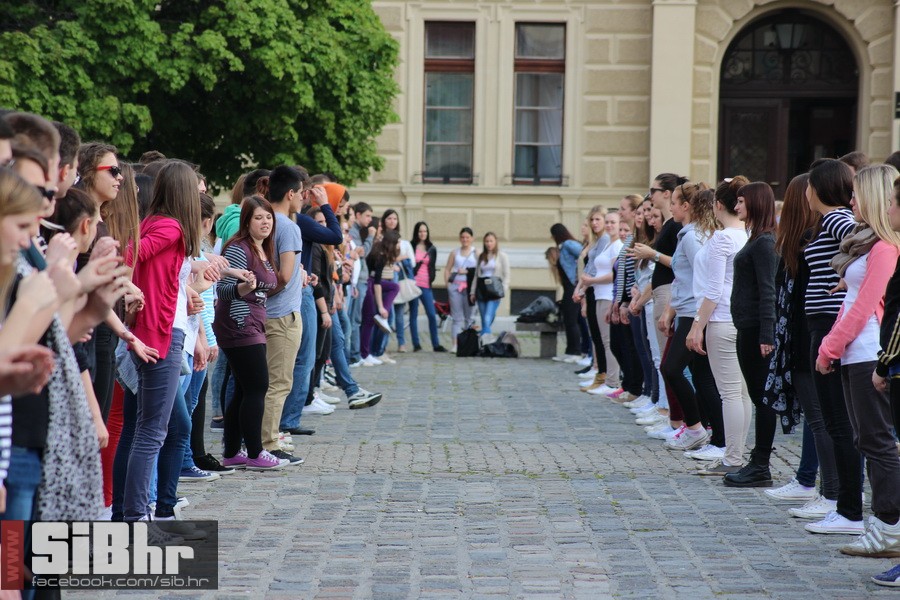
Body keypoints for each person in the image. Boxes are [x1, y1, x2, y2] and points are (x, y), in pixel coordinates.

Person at [815, 164, 900, 555]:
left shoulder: (885, 248)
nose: (851, 202)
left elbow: (866, 305)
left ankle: (890, 526)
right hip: (855, 351)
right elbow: (854, 299)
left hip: (867, 351)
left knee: (877, 441)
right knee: (866, 439)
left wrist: (829, 347)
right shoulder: (870, 243)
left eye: (856, 195)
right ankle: (881, 524)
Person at [763, 174, 837, 510]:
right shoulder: (800, 242)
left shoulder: (816, 238)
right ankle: (817, 484)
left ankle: (830, 492)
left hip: (811, 337)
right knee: (819, 418)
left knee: (822, 420)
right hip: (803, 337)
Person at [797, 159, 863, 535]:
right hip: (822, 322)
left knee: (838, 419)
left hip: (830, 325)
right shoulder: (829, 220)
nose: (805, 192)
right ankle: (842, 503)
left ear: (819, 188)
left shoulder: (837, 218)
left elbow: (865, 244)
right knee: (835, 418)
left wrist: (847, 280)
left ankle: (847, 507)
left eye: (809, 185)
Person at [214, 195, 286, 471]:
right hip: (239, 323)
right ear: (247, 221)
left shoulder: (263, 248)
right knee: (258, 386)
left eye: (268, 217)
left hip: (255, 323)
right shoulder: (238, 248)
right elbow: (222, 289)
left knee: (245, 389)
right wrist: (244, 288)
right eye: (258, 218)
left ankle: (233, 452)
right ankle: (256, 452)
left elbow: (266, 286)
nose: (265, 222)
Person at [684, 177, 750, 474]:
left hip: (722, 318)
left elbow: (714, 290)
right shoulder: (747, 234)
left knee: (730, 393)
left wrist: (697, 325)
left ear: (718, 205)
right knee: (741, 392)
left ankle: (733, 457)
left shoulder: (723, 238)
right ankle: (736, 453)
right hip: (739, 319)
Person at [716, 182, 778, 487]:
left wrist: (767, 333)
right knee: (756, 395)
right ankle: (758, 462)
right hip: (746, 326)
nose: (737, 206)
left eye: (741, 202)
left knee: (762, 398)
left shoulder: (764, 242)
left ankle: (761, 464)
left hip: (756, 330)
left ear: (755, 204)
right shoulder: (756, 238)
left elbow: (769, 291)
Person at [659, 183, 725, 452]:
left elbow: (704, 274)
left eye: (674, 202)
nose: (671, 208)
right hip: (689, 310)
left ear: (687, 206)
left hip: (693, 312)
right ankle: (709, 433)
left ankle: (698, 429)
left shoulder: (691, 237)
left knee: (672, 369)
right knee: (701, 377)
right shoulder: (690, 234)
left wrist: (696, 316)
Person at [582, 212, 622, 396]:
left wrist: (592, 281)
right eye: (607, 222)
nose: (609, 225)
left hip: (607, 294)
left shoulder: (616, 246)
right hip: (600, 294)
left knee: (608, 341)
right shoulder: (608, 244)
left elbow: (615, 274)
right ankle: (606, 378)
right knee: (604, 340)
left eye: (613, 222)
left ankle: (612, 381)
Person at [576, 207, 610, 391]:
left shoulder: (605, 240)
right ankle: (600, 373)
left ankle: (604, 375)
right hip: (591, 289)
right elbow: (589, 266)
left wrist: (582, 288)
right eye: (592, 220)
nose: (594, 223)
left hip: (599, 290)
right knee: (597, 336)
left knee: (602, 337)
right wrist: (580, 289)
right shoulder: (597, 240)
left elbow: (595, 269)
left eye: (598, 219)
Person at [360, 229, 401, 365]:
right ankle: (364, 354)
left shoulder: (381, 252)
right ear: (391, 243)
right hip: (370, 284)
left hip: (371, 282)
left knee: (394, 287)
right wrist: (382, 307)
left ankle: (367, 353)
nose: (399, 245)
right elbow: (377, 284)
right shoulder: (381, 256)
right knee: (368, 321)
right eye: (398, 243)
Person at [409, 221, 446, 352]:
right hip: (414, 285)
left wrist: (431, 279)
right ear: (416, 232)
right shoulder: (411, 246)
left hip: (426, 285)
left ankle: (436, 344)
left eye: (425, 231)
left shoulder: (432, 248)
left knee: (431, 314)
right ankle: (416, 344)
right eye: (420, 231)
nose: (422, 233)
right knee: (413, 314)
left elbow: (432, 266)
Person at [550, 223, 584, 361]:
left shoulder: (568, 244)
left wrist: (579, 276)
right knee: (569, 319)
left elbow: (583, 255)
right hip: (568, 286)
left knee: (571, 320)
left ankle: (575, 351)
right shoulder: (564, 246)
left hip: (572, 286)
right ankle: (570, 350)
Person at [471, 232, 510, 344]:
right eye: (486, 241)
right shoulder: (481, 256)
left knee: (488, 317)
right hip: (481, 289)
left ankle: (486, 341)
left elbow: (507, 275)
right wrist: (472, 292)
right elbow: (476, 276)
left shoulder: (502, 256)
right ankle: (486, 342)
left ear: (495, 242)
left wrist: (502, 290)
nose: (489, 243)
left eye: (491, 241)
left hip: (494, 289)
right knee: (484, 318)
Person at [444, 227, 477, 351]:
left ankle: (468, 344)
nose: (465, 239)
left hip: (470, 288)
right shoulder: (455, 252)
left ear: (472, 239)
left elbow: (480, 270)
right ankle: (455, 345)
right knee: (457, 318)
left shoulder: (476, 252)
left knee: (470, 317)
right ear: (459, 238)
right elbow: (447, 269)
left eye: (467, 237)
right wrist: (448, 285)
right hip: (456, 287)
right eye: (463, 237)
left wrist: (467, 272)